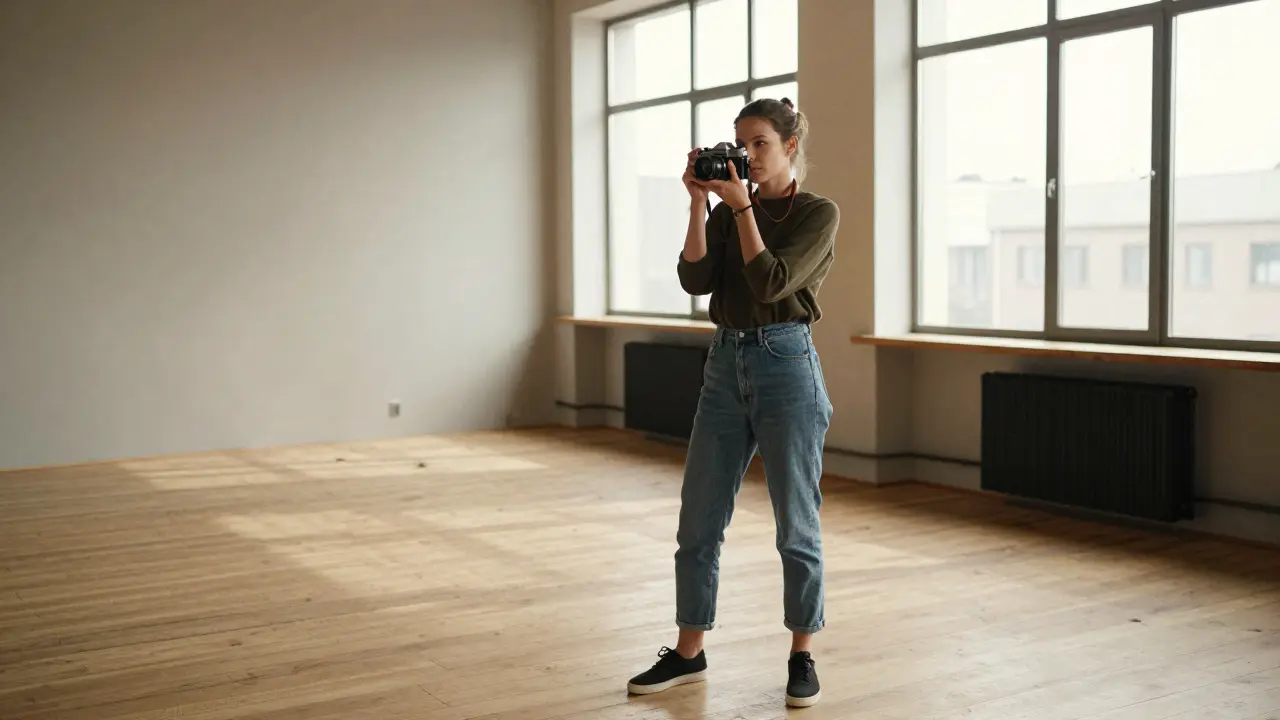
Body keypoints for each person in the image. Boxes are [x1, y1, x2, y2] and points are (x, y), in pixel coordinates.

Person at [626, 97, 839, 709]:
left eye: (761, 143)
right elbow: (696, 280)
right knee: (698, 520)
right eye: (740, 143)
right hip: (725, 364)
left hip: (787, 363)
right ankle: (689, 653)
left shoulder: (817, 213)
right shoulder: (724, 210)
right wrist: (700, 205)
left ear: (790, 146)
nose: (746, 154)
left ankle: (802, 654)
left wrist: (740, 206)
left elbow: (772, 281)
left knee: (795, 524)